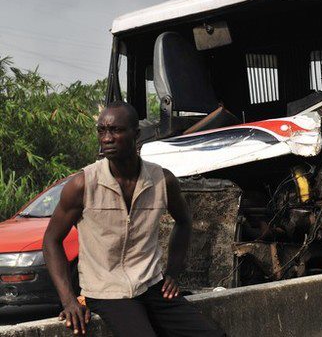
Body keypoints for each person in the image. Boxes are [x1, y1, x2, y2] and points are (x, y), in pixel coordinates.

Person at [43, 101, 224, 336]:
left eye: (116, 130)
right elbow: (51, 241)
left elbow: (184, 221)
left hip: (150, 284)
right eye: (101, 131)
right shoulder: (83, 184)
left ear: (136, 135)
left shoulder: (162, 180)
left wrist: (173, 273)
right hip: (106, 291)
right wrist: (69, 300)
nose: (107, 138)